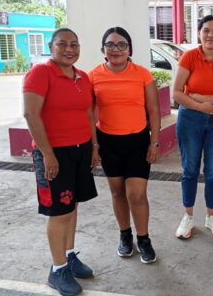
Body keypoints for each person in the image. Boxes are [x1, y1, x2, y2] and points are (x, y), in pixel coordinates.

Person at [23, 28, 99, 296]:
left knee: (72, 205)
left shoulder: (82, 76)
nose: (70, 49)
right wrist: (48, 154)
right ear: (51, 46)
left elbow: (89, 113)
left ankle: (68, 256)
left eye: (74, 44)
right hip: (54, 152)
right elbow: (31, 114)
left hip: (80, 149)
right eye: (63, 44)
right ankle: (57, 270)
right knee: (59, 211)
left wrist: (94, 145)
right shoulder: (41, 73)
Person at [88, 27, 160, 264]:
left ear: (129, 49)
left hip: (138, 141)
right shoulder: (93, 76)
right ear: (103, 49)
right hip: (108, 142)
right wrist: (95, 146)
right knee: (117, 192)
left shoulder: (142, 74)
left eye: (122, 45)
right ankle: (125, 235)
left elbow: (154, 110)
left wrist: (154, 142)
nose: (116, 49)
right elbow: (89, 114)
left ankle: (144, 238)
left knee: (137, 195)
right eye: (110, 44)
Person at [173, 15, 213, 239]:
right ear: (199, 33)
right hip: (190, 118)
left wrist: (204, 98)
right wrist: (201, 106)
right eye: (206, 30)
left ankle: (212, 216)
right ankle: (188, 216)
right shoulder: (189, 57)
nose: (210, 35)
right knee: (190, 169)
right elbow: (177, 93)